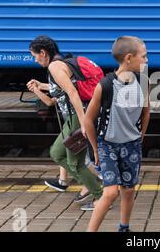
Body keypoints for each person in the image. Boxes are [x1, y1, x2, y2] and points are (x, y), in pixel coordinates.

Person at [84, 36, 150, 232]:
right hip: (107, 144)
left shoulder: (143, 81)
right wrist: (96, 149)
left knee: (128, 191)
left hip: (132, 145)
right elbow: (88, 119)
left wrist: (141, 137)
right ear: (129, 58)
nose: (147, 61)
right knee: (111, 192)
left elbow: (147, 112)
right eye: (144, 57)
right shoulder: (105, 85)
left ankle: (124, 227)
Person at [27, 35, 103, 205]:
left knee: (75, 163)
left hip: (77, 115)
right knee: (56, 153)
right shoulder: (61, 62)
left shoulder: (55, 67)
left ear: (43, 52)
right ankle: (92, 183)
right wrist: (40, 86)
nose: (35, 60)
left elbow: (73, 93)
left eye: (35, 56)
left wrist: (84, 122)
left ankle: (100, 196)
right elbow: (56, 94)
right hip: (73, 116)